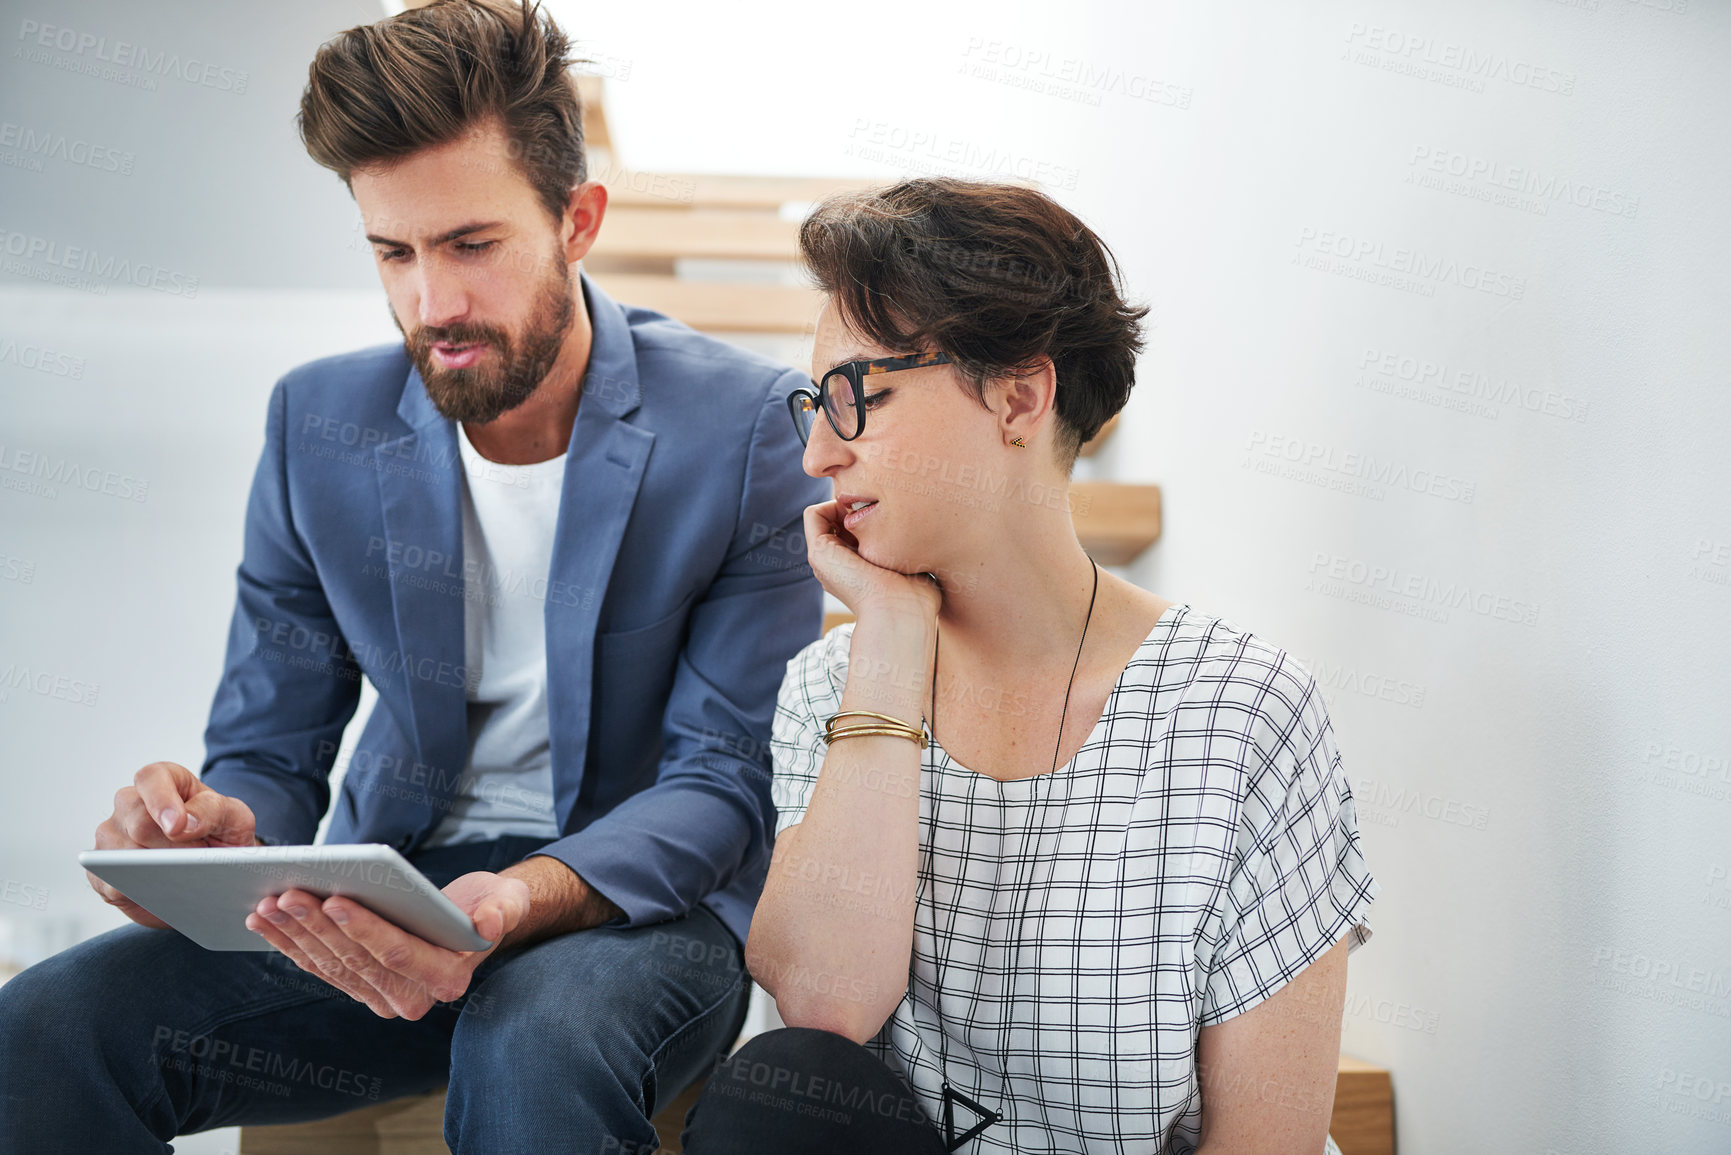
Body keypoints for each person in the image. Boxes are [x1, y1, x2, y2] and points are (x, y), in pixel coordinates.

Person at [0, 2, 826, 1151]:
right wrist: (222, 830)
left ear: (577, 221)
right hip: (389, 896)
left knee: (533, 1044)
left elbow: (727, 784)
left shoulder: (742, 430)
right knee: (44, 1026)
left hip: (641, 910)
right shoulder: (315, 422)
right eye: (395, 252)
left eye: (472, 245)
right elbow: (271, 749)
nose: (431, 306)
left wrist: (521, 895)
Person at [679, 177, 1380, 1154]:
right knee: (776, 1093)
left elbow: (1266, 1140)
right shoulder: (828, 691)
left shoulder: (1243, 715)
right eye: (812, 404)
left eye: (853, 397)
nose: (816, 457)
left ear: (1017, 396)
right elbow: (824, 1007)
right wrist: (885, 640)